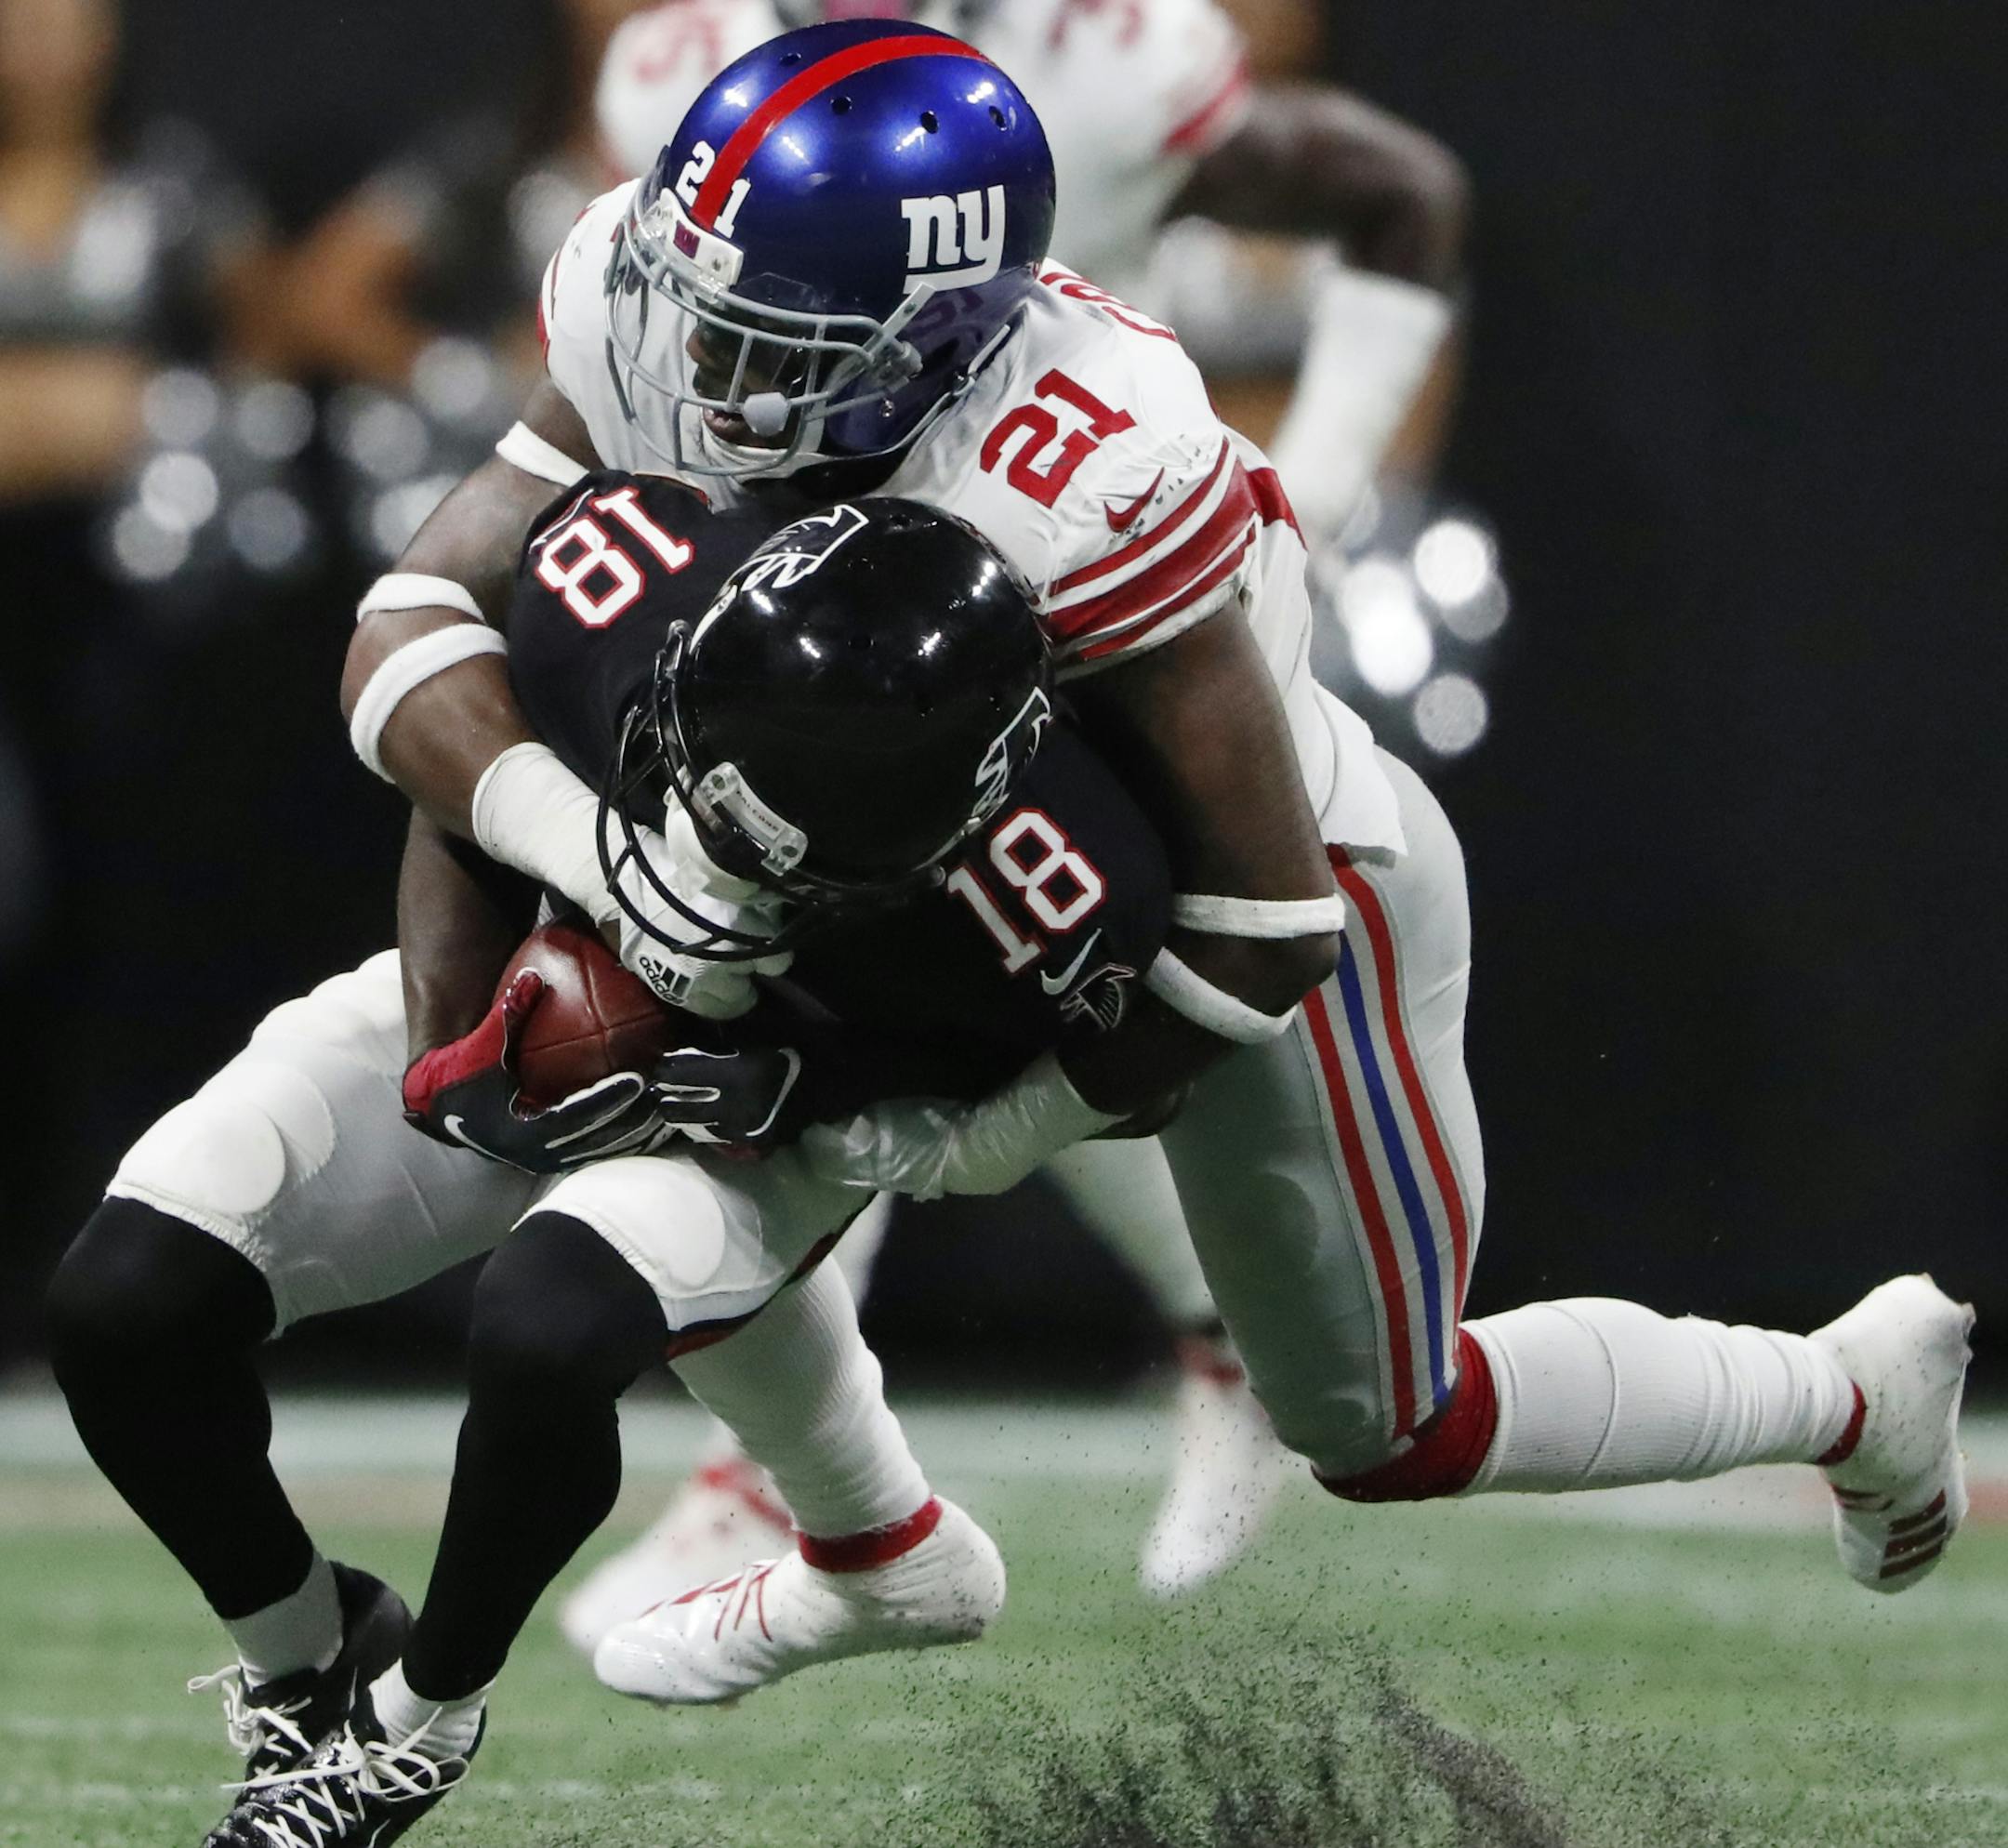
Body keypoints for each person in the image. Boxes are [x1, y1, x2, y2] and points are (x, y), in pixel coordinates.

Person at [337, 22, 1972, 1710]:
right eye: (700, 305)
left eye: (773, 343)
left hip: (1218, 903)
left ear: (929, 344)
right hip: (906, 855)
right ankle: (858, 1545)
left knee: (1382, 1424)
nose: (702, 369)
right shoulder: (653, 287)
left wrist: (992, 1139)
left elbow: (1266, 922)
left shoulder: (1086, 459)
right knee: (688, 1117)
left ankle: (1847, 1394)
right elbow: (415, 616)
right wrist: (592, 852)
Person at [47, 487, 1180, 1844]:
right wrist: (448, 1030)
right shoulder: (628, 579)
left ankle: (418, 1719)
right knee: (125, 1303)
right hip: (548, 981)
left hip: (767, 1114)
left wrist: (927, 1137)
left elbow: (1168, 1050)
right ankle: (310, 1665)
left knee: (543, 1325)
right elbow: (430, 740)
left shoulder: (1057, 888)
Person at [560, 0, 1473, 1631]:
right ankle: (796, 1470)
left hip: (1074, 582)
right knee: (799, 969)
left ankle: (1197, 1360)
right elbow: (670, 354)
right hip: (815, 573)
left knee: (1019, 989)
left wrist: (1315, 490)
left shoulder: (1106, 55)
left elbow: (1400, 194)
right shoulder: (680, 67)